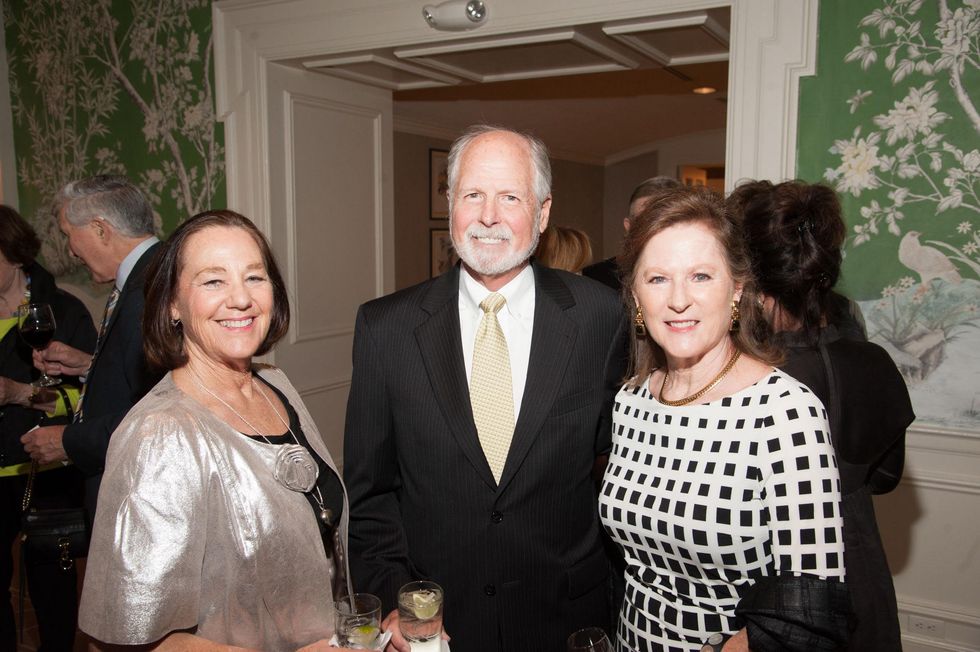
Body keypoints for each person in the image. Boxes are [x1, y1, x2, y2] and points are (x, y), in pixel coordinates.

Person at [344, 124, 628, 651]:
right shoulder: (386, 329)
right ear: (451, 202)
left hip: (566, 620)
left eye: (510, 197)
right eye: (472, 194)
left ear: (542, 214)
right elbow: (371, 498)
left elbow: (616, 464)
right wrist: (398, 610)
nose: (489, 215)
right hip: (439, 627)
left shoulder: (599, 316)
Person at [78, 210, 356, 650]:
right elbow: (130, 641)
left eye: (254, 277)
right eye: (213, 281)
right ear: (172, 304)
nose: (241, 299)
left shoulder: (274, 385)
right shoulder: (161, 436)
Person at [599, 186, 851, 651]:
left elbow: (808, 608)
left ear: (736, 288)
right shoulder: (631, 401)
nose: (678, 300)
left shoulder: (784, 411)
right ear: (635, 295)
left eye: (700, 276)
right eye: (657, 279)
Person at [734, 179, 914, 651]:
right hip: (857, 567)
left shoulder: (738, 377)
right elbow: (887, 476)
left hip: (769, 582)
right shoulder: (873, 361)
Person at [22, 176, 162, 523]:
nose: (70, 250)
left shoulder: (153, 289)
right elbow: (143, 376)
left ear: (100, 229)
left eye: (70, 234)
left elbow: (160, 415)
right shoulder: (144, 275)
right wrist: (88, 364)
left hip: (142, 496)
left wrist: (69, 441)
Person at [0, 205, 97, 650]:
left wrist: (19, 394)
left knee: (52, 598)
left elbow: (89, 400)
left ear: (15, 255)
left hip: (45, 471)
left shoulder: (62, 311)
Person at [583, 175, 681, 290]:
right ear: (628, 226)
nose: (651, 229)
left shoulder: (702, 274)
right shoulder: (596, 279)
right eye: (642, 221)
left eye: (665, 220)